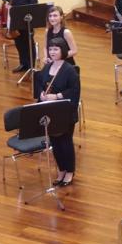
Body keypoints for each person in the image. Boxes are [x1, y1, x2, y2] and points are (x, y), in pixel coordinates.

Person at [34, 37, 80, 187]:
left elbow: (74, 92)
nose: (52, 52)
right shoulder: (47, 68)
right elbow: (40, 83)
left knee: (65, 142)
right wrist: (41, 93)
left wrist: (57, 96)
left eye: (56, 49)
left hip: (64, 112)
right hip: (50, 112)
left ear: (63, 51)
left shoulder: (69, 70)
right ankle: (61, 170)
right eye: (51, 49)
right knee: (55, 142)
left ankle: (70, 172)